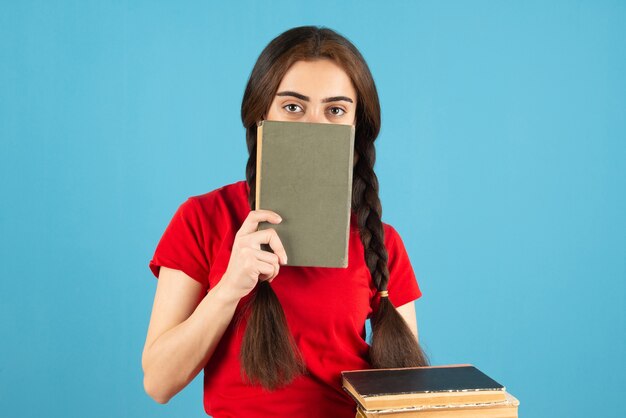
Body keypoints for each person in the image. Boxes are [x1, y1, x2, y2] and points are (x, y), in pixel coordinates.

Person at [142, 26, 428, 418]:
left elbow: (407, 399)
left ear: (356, 126)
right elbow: (159, 383)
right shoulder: (203, 218)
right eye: (293, 107)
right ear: (261, 113)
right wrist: (229, 287)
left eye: (336, 110)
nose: (313, 126)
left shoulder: (380, 242)